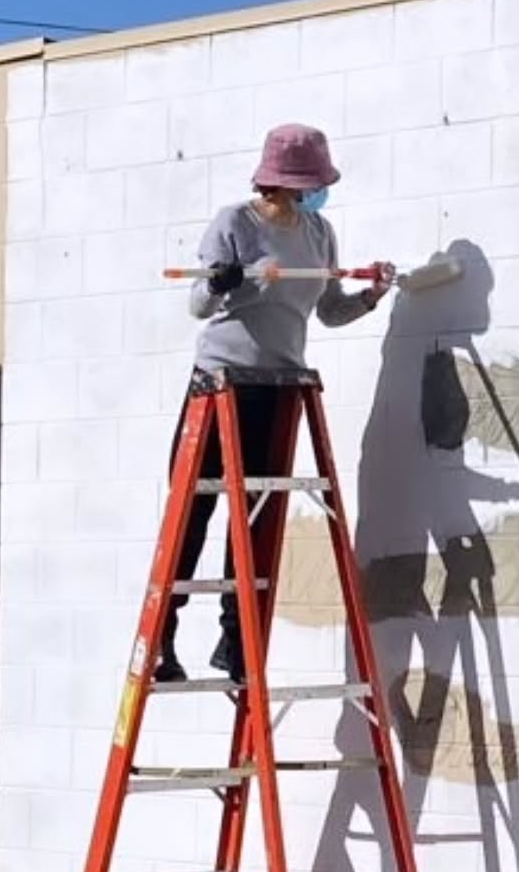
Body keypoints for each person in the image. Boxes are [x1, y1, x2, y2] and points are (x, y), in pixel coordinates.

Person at [155, 123, 394, 684]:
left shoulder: (319, 231)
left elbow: (329, 310)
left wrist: (372, 297)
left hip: (280, 383)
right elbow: (197, 304)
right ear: (283, 183)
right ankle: (163, 638)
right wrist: (234, 280)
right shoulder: (235, 222)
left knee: (258, 516)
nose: (315, 192)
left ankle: (236, 638)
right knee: (195, 511)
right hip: (220, 382)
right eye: (309, 183)